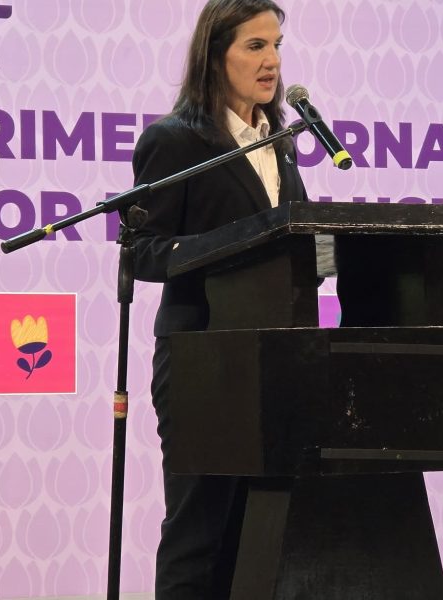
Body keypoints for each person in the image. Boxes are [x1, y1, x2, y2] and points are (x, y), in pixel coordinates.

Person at [130, 1, 308, 598]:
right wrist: (231, 244)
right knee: (199, 532)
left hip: (275, 357)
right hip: (202, 358)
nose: (272, 61)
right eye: (255, 46)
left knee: (254, 535)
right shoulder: (174, 140)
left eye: (277, 45)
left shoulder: (281, 141)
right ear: (214, 56)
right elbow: (144, 252)